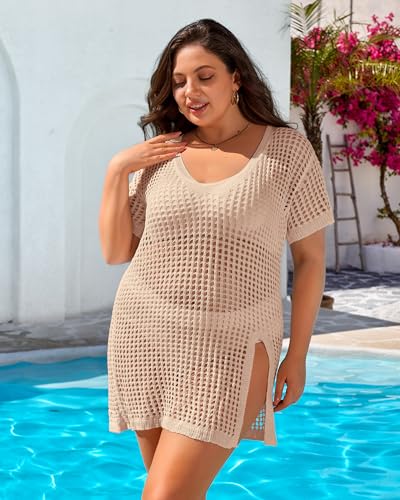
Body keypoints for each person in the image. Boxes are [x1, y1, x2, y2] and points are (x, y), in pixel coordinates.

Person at [98, 18, 335, 500]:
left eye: (205, 76)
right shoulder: (164, 153)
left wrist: (298, 354)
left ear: (236, 78)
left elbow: (310, 260)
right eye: (179, 81)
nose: (190, 91)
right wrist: (117, 170)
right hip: (145, 337)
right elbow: (117, 251)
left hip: (236, 343)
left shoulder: (285, 151)